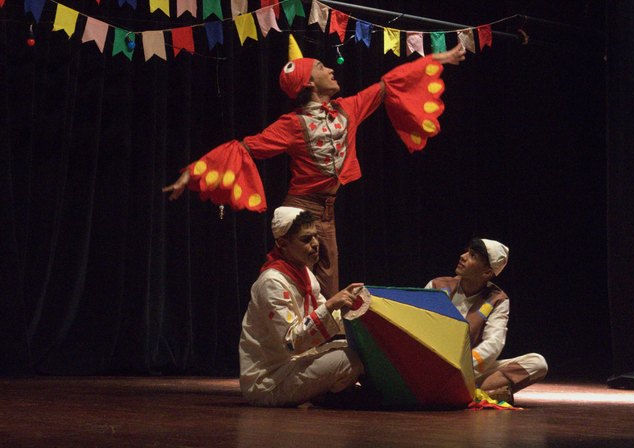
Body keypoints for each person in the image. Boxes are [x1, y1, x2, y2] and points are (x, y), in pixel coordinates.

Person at [163, 39, 466, 299]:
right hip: (299, 209)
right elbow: (245, 147)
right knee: (295, 280)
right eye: (322, 67)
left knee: (329, 284)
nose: (332, 70)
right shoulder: (292, 125)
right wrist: (193, 173)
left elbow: (390, 85)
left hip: (327, 212)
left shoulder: (348, 109)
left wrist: (441, 58)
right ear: (308, 82)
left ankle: (322, 351)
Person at [239, 206, 365, 407]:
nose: (315, 244)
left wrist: (361, 317)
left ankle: (323, 393)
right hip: (270, 381)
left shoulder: (305, 275)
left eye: (315, 237)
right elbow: (292, 343)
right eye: (306, 239)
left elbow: (327, 320)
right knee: (347, 359)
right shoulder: (271, 282)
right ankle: (326, 394)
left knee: (358, 350)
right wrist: (332, 304)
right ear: (282, 244)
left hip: (293, 366)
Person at [425, 238, 548, 403]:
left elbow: (494, 342)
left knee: (537, 363)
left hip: (469, 369)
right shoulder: (438, 286)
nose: (463, 256)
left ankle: (473, 392)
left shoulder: (497, 300)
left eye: (473, 255)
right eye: (467, 251)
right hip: (432, 364)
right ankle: (472, 392)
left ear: (487, 273)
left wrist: (465, 367)